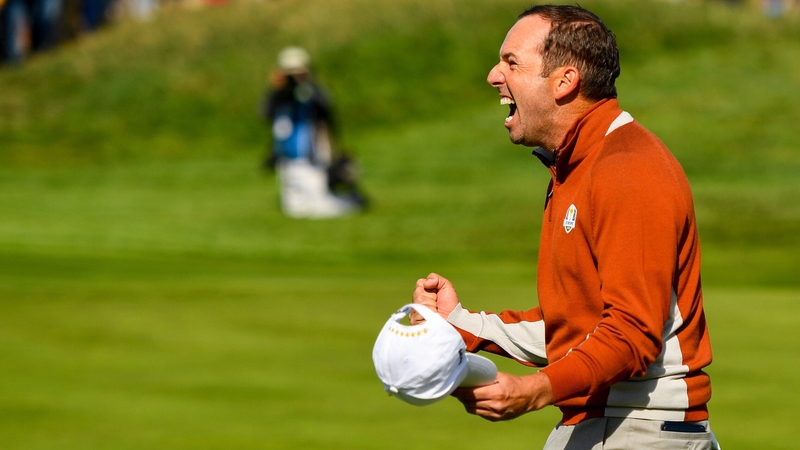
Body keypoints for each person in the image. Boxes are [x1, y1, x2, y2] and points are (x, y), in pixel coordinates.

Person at [410, 5, 720, 449]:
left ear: (564, 81)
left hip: (639, 426)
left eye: (511, 62)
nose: (494, 76)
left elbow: (631, 332)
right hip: (610, 422)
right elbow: (576, 326)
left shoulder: (628, 167)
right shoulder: (577, 166)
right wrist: (460, 324)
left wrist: (534, 389)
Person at [261, 46, 367, 219]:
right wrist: (275, 88)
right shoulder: (279, 96)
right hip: (287, 158)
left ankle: (350, 202)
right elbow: (265, 113)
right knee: (295, 209)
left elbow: (324, 107)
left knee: (320, 207)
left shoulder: (313, 91)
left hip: (311, 154)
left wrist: (306, 81)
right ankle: (345, 200)